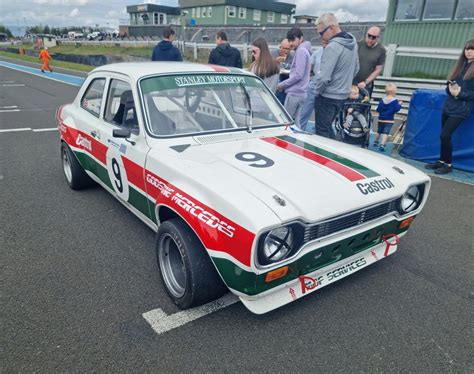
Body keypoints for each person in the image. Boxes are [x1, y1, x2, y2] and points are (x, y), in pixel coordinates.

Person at [425, 39, 474, 174]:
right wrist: (450, 89)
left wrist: (461, 93)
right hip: (449, 105)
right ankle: (441, 161)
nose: (468, 52)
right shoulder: (460, 66)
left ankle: (448, 164)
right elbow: (449, 87)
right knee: (443, 135)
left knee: (446, 135)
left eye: (472, 49)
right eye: (466, 49)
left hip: (462, 108)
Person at [314, 13, 359, 138]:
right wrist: (343, 83)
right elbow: (356, 68)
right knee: (328, 128)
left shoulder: (332, 47)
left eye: (321, 33)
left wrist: (317, 92)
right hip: (342, 95)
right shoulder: (352, 42)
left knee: (322, 133)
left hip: (327, 96)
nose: (320, 36)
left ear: (332, 28)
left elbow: (323, 78)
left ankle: (324, 157)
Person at [276, 27, 312, 129]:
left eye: (293, 40)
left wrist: (282, 85)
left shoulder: (301, 51)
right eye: (290, 40)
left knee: (286, 123)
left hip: (295, 93)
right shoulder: (306, 50)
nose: (291, 43)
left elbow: (298, 75)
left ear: (301, 39)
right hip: (301, 92)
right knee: (296, 124)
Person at [299, 40, 327, 131]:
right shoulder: (317, 53)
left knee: (322, 118)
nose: (325, 43)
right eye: (324, 41)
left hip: (326, 88)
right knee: (304, 113)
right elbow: (309, 68)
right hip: (313, 86)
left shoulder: (335, 55)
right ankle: (300, 130)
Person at [353, 26, 386, 98]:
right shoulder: (358, 45)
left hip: (366, 85)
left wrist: (366, 82)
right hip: (352, 83)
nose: (370, 40)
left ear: (378, 38)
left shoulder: (381, 50)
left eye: (373, 38)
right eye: (369, 36)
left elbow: (378, 70)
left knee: (363, 106)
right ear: (366, 35)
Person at [374, 82, 402, 152]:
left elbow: (378, 109)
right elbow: (396, 109)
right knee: (385, 133)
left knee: (379, 131)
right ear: (394, 92)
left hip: (381, 119)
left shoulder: (382, 100)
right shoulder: (395, 101)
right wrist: (399, 104)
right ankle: (382, 144)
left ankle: (376, 141)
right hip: (389, 120)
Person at [272, 39, 294, 104]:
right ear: (280, 47)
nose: (286, 51)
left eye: (288, 49)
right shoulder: (273, 54)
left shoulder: (292, 57)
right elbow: (266, 67)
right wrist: (275, 62)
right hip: (274, 80)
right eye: (284, 48)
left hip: (285, 81)